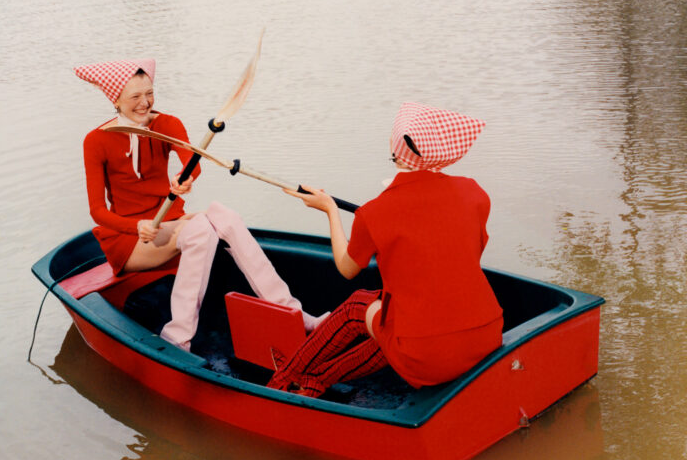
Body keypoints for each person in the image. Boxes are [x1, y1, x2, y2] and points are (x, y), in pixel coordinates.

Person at [75, 59, 325, 350]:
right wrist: (137, 226)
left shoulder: (167, 124)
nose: (145, 103)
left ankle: (294, 314)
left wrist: (185, 178)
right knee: (200, 230)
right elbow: (97, 212)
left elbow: (191, 163)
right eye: (135, 97)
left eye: (150, 93)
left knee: (225, 217)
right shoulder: (95, 141)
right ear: (115, 100)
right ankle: (178, 336)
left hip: (169, 223)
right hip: (130, 239)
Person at [267, 101, 503, 396]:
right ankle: (317, 380)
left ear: (395, 145)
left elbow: (347, 268)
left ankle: (282, 380)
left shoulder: (375, 212)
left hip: (428, 357)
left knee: (356, 307)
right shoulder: (474, 192)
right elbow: (463, 256)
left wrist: (330, 210)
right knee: (391, 322)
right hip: (486, 336)